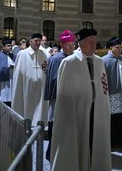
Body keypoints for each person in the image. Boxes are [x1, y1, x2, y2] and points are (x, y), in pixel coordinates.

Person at [50, 28, 111, 170]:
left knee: (95, 144)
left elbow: (104, 87)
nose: (94, 46)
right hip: (77, 114)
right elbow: (64, 95)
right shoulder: (69, 62)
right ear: (81, 44)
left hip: (97, 112)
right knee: (79, 143)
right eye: (91, 42)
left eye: (96, 42)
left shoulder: (99, 62)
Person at [43, 30, 76, 161]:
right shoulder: (57, 59)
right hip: (58, 98)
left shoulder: (73, 58)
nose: (72, 47)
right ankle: (51, 153)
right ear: (62, 45)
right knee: (55, 125)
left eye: (73, 44)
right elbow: (53, 80)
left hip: (70, 98)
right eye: (69, 45)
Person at [11, 33, 49, 127]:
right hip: (26, 86)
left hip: (40, 87)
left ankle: (38, 125)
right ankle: (26, 124)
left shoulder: (43, 53)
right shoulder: (22, 54)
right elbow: (18, 74)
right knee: (26, 106)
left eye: (39, 41)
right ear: (30, 41)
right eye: (36, 41)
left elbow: (45, 69)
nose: (38, 43)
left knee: (39, 108)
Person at [102, 37, 122, 148]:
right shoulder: (104, 60)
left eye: (120, 47)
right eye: (117, 47)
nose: (119, 49)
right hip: (113, 93)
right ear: (111, 48)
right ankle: (114, 141)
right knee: (114, 117)